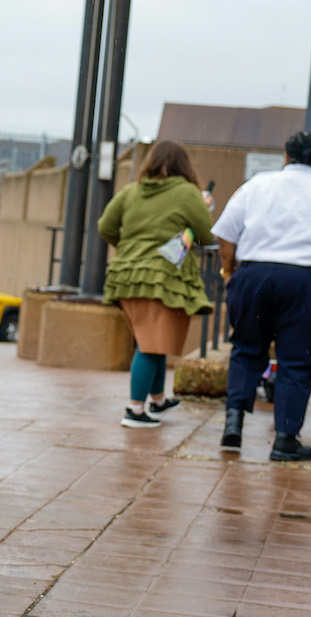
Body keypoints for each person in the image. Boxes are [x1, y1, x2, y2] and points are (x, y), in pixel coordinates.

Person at [212, 131, 311, 461]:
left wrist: (230, 273)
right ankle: (285, 439)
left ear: (285, 157)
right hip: (305, 281)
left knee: (245, 348)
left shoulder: (257, 184)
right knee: (297, 359)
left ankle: (234, 423)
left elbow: (225, 235)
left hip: (253, 275)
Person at [99, 140, 215, 428]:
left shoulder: (131, 191)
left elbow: (105, 226)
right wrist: (203, 208)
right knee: (151, 344)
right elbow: (205, 236)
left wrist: (128, 249)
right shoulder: (186, 192)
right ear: (183, 165)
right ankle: (135, 410)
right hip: (161, 276)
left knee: (151, 340)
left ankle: (158, 400)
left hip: (125, 274)